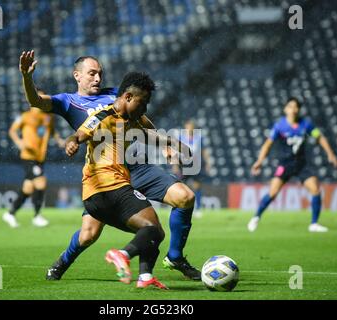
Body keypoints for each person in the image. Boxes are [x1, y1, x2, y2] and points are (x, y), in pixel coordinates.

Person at [18, 50, 201, 280]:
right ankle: (61, 263)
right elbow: (36, 101)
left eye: (100, 74)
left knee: (185, 197)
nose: (97, 78)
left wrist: (164, 146)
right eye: (92, 73)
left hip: (137, 167)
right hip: (106, 175)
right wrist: (26, 76)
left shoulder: (116, 94)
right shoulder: (67, 101)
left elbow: (140, 118)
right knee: (88, 235)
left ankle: (174, 257)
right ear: (77, 75)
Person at [64, 71, 168, 289]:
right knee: (152, 228)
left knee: (152, 233)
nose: (145, 108)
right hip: (108, 187)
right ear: (128, 97)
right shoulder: (104, 115)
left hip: (100, 197)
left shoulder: (133, 119)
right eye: (143, 102)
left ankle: (145, 278)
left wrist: (167, 145)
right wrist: (72, 142)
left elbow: (150, 130)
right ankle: (122, 255)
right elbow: (80, 134)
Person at [247, 97, 337, 232]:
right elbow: (267, 144)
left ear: (298, 109)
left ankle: (314, 224)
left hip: (301, 164)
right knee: (272, 193)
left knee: (315, 190)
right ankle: (256, 217)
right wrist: (259, 161)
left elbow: (319, 137)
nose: (293, 110)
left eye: (296, 107)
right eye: (290, 106)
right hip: (285, 164)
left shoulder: (306, 125)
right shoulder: (280, 126)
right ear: (285, 109)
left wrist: (330, 154)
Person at [3, 90, 65, 228]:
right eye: (38, 97)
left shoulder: (48, 117)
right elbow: (12, 130)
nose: (40, 100)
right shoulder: (25, 116)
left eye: (42, 98)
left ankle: (10, 213)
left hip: (40, 157)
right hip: (28, 156)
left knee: (28, 187)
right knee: (41, 182)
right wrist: (19, 143)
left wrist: (59, 140)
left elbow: (52, 130)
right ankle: (37, 216)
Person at [172, 119, 212, 218]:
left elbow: (204, 151)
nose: (189, 128)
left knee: (197, 186)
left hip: (196, 164)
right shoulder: (181, 137)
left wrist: (208, 163)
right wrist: (175, 164)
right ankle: (177, 207)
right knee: (180, 186)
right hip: (184, 165)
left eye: (191, 126)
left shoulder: (199, 138)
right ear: (186, 127)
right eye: (188, 126)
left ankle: (197, 208)